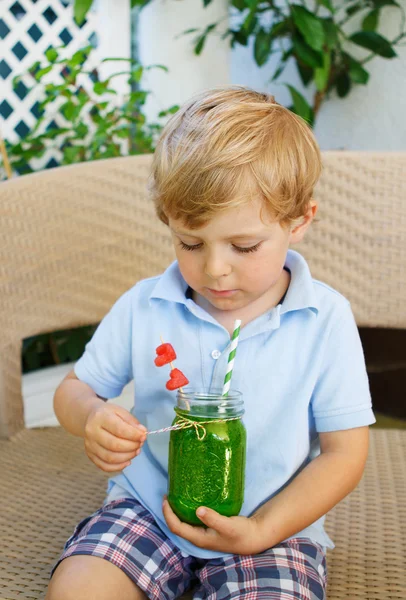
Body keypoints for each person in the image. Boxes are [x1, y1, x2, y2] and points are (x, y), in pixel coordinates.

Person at [46, 86, 375, 600]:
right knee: (77, 591)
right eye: (190, 243)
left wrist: (266, 528)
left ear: (300, 221)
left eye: (245, 246)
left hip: (272, 525)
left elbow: (344, 453)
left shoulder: (324, 319)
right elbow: (73, 389)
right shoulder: (144, 305)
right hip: (148, 508)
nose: (214, 269)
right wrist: (91, 417)